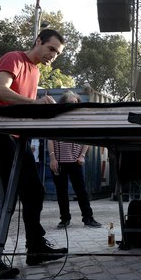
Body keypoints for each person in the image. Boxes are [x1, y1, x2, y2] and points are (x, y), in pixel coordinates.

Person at [0, 29, 68, 280]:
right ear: (38, 41)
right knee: (2, 197)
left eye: (57, 53)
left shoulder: (36, 71)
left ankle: (35, 248)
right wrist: (35, 104)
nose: (53, 56)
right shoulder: (13, 58)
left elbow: (22, 106)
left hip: (18, 138)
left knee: (34, 191)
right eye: (50, 49)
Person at [48, 91, 101, 229]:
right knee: (61, 192)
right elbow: (50, 138)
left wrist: (82, 155)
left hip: (76, 162)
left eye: (75, 102)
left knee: (81, 191)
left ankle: (88, 218)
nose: (73, 105)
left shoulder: (81, 119)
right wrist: (53, 158)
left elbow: (87, 139)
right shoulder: (57, 118)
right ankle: (64, 219)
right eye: (70, 102)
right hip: (59, 161)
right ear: (64, 103)